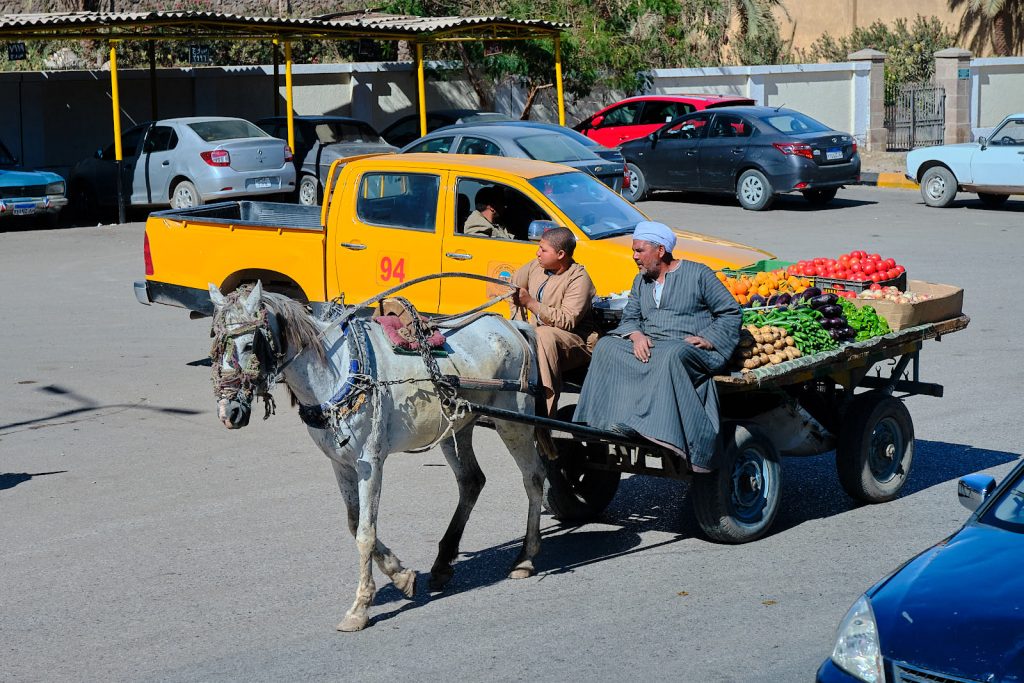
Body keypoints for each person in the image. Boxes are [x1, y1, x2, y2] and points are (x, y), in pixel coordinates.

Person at [572, 221, 741, 471]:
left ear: (660, 251)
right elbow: (630, 318)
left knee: (671, 354)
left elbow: (730, 312)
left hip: (690, 350)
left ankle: (656, 430)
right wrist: (636, 336)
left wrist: (709, 337)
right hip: (652, 344)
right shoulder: (641, 282)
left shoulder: (699, 274)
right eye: (634, 251)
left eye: (640, 251)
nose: (634, 257)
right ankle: (601, 422)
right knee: (607, 346)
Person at [511, 226, 599, 416]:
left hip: (575, 342)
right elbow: (513, 285)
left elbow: (568, 320)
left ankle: (545, 409)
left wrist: (532, 304)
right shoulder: (537, 266)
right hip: (538, 334)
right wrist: (519, 316)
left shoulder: (578, 278)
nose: (538, 253)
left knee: (544, 335)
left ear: (560, 254)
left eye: (543, 250)